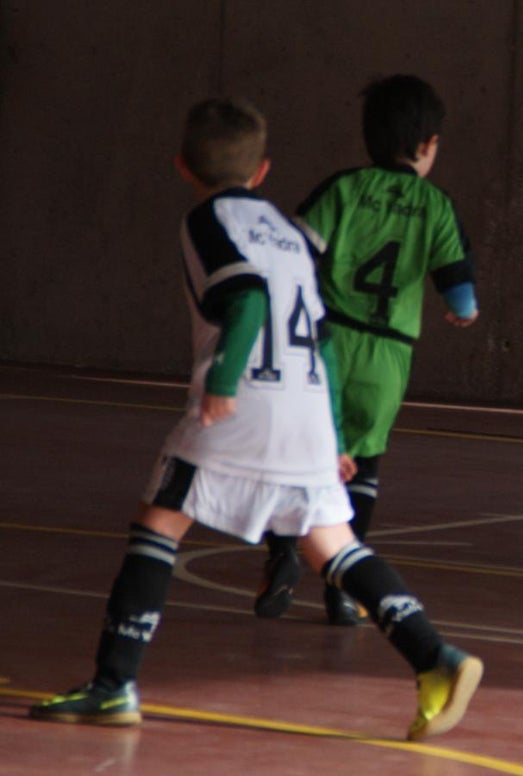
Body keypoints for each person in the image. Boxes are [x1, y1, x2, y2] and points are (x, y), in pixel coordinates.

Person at [28, 97, 481, 741]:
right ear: (264, 170)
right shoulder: (287, 230)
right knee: (334, 545)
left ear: (183, 165)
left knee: (158, 523)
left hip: (246, 401)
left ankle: (112, 685)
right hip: (306, 408)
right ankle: (435, 657)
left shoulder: (207, 220)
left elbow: (243, 298)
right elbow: (321, 338)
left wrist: (220, 382)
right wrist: (332, 437)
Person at [253, 74, 479, 626]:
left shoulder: (344, 189)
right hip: (387, 357)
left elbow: (296, 251)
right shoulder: (435, 204)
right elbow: (460, 288)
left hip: (325, 343)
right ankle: (344, 588)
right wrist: (464, 310)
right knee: (365, 466)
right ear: (428, 145)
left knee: (304, 454)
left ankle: (282, 558)